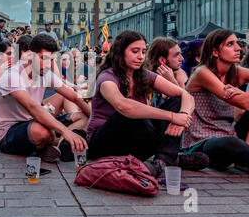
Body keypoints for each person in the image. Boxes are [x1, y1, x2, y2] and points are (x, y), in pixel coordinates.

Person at [86, 30, 209, 178]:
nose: (141, 57)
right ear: (120, 52)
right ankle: (172, 159)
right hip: (103, 143)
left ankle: (162, 161)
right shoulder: (107, 77)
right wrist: (171, 116)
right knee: (131, 113)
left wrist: (182, 115)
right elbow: (123, 106)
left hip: (137, 141)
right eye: (135, 51)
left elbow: (186, 95)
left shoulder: (144, 75)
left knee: (178, 102)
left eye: (143, 52)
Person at [0, 34, 90, 162]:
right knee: (42, 132)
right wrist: (66, 131)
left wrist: (96, 118)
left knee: (83, 116)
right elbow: (33, 108)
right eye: (43, 58)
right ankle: (54, 141)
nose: (48, 64)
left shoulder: (45, 72)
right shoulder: (13, 76)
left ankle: (59, 144)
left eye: (51, 60)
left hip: (34, 120)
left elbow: (75, 97)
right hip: (8, 133)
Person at [183, 29, 249, 176]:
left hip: (230, 132)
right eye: (230, 44)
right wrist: (245, 95)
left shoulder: (236, 72)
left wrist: (242, 92)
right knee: (229, 143)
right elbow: (245, 103)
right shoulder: (202, 72)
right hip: (203, 141)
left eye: (237, 43)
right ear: (215, 52)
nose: (238, 48)